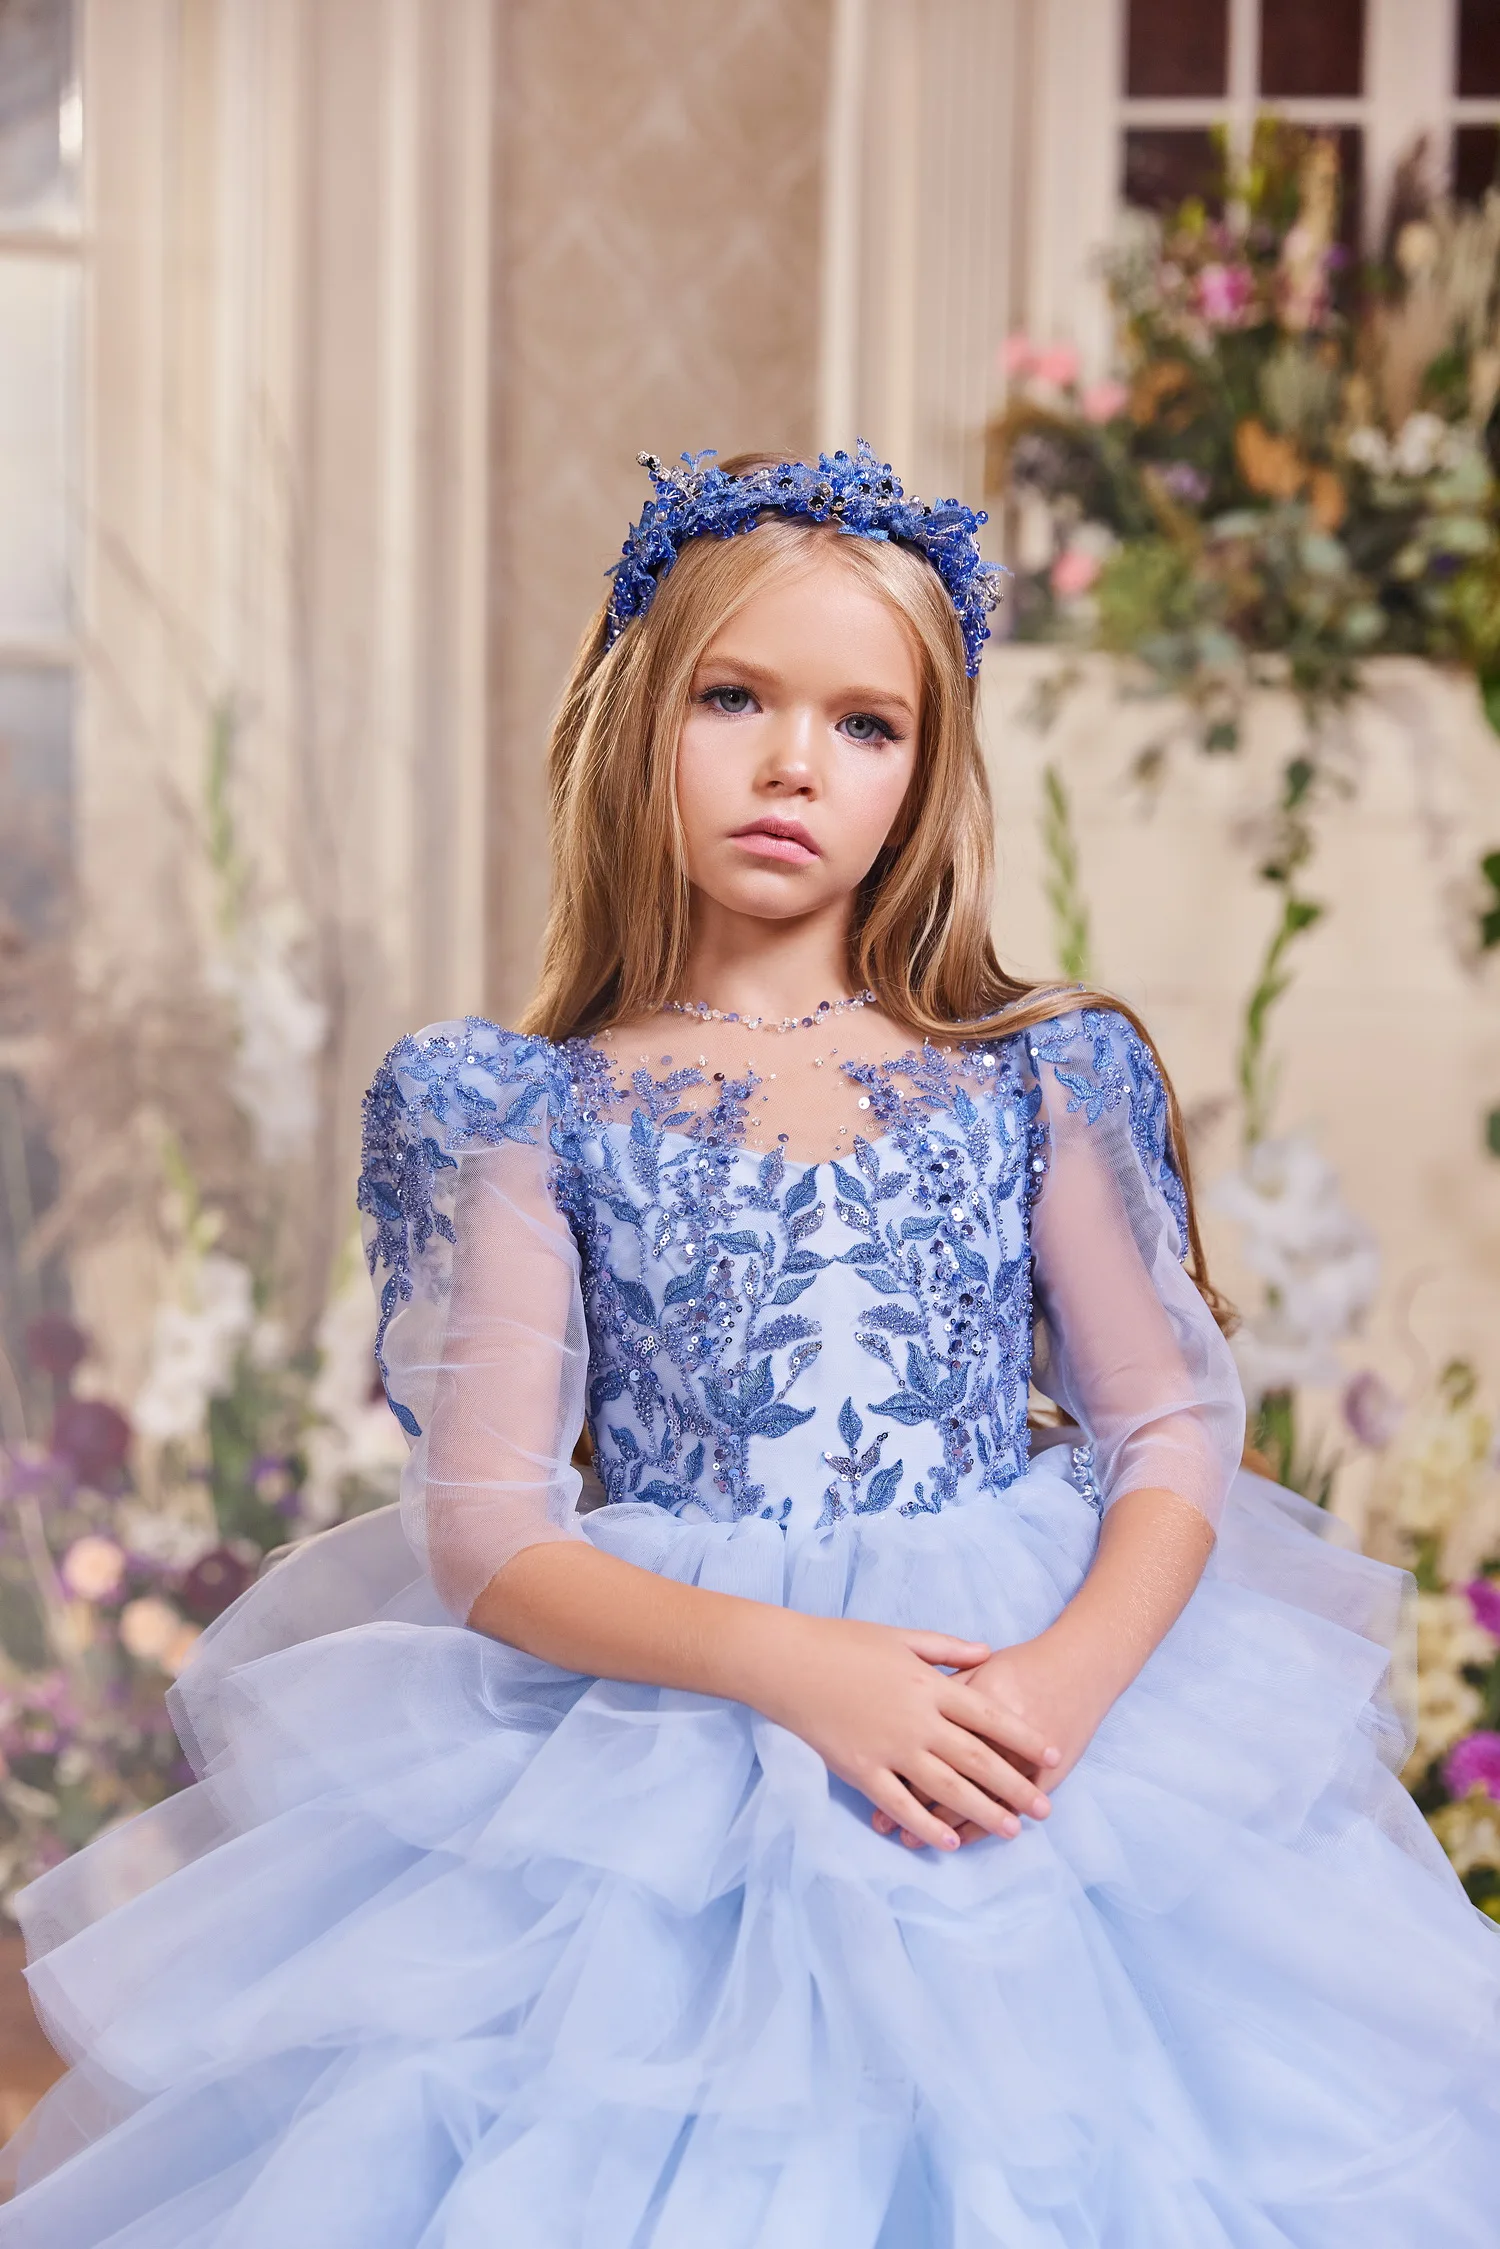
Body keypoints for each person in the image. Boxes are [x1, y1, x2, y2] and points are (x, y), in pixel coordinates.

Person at [4, 443, 1498, 2246]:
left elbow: (1173, 1423)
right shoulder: (526, 1112)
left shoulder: (1037, 1077)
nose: (798, 761)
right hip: (672, 1747)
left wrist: (1066, 1684)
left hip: (1020, 1710)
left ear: (925, 777)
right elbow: (489, 1535)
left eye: (868, 726)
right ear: (640, 715)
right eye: (737, 697)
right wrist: (807, 1673)